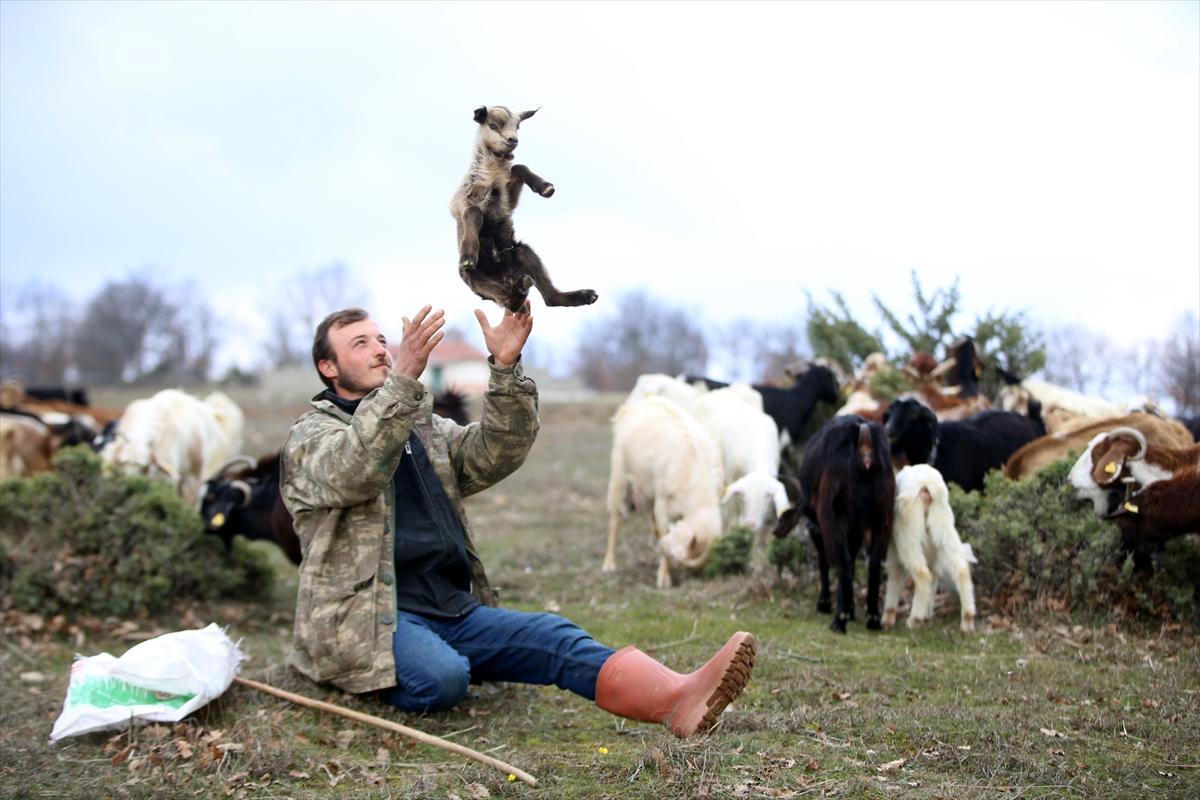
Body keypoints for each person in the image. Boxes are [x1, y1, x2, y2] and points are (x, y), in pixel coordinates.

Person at [279, 302, 756, 737]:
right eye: (360, 344)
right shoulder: (312, 437)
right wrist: (403, 384)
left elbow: (492, 454)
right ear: (328, 367)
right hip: (371, 622)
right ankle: (362, 671)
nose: (380, 350)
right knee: (444, 679)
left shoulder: (416, 424)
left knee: (554, 636)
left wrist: (505, 371)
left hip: (450, 607)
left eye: (382, 340)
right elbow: (354, 470)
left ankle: (677, 699)